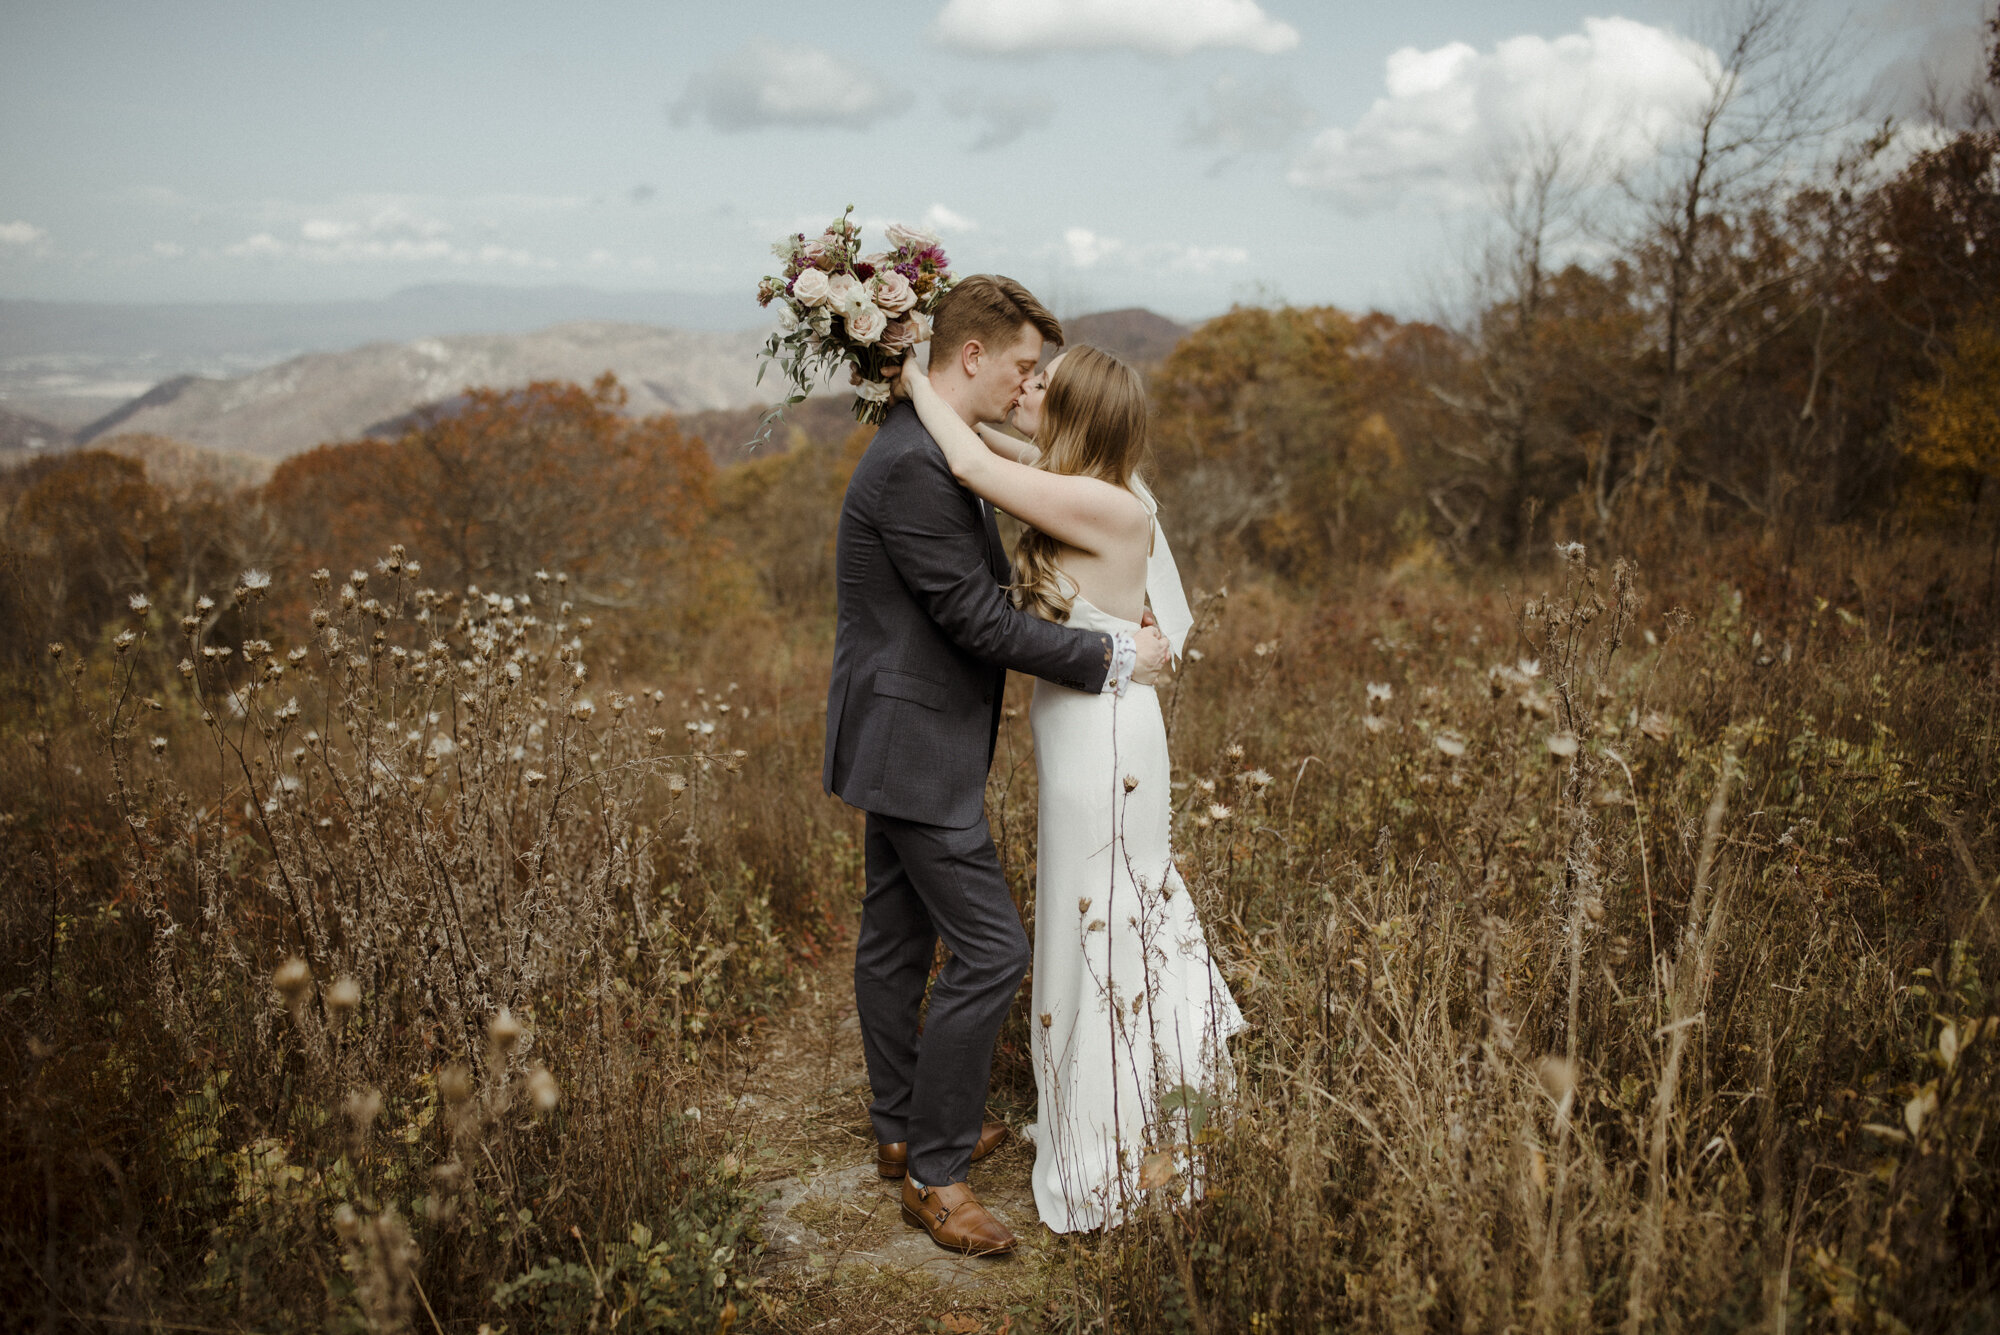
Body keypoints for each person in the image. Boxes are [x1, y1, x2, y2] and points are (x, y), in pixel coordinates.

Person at [823, 275, 1174, 1256]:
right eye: (1023, 365)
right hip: (913, 745)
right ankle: (935, 1175)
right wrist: (1111, 654)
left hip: (904, 738)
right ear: (969, 357)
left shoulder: (931, 449)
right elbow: (974, 620)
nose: (1031, 386)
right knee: (992, 951)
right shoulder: (915, 469)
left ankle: (900, 1127)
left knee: (894, 938)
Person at [898, 343, 1245, 1234]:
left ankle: (1121, 1139)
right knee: (1087, 917)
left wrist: (909, 378)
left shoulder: (1103, 503)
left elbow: (972, 461)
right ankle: (1101, 1107)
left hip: (1107, 746)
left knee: (1106, 925)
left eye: (1044, 385)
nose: (1028, 388)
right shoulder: (1088, 483)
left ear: (1079, 412)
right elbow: (991, 448)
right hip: (1085, 735)